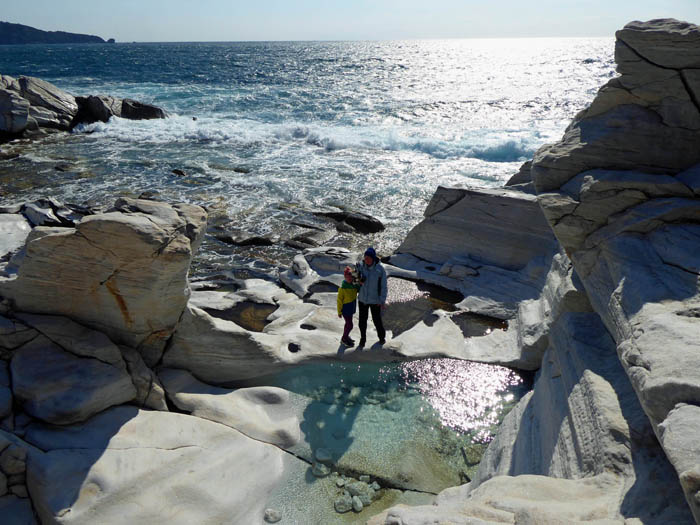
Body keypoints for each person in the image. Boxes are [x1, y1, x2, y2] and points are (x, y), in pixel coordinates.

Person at [357, 247, 387, 347]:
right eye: (365, 257)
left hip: (375, 300)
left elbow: (383, 286)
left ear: (373, 258)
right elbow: (354, 278)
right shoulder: (360, 266)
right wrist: (357, 279)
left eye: (369, 258)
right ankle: (363, 339)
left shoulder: (380, 270)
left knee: (377, 320)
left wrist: (382, 300)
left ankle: (382, 338)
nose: (367, 259)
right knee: (362, 321)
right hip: (362, 299)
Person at [337, 266, 361, 346]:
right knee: (350, 325)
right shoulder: (343, 288)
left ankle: (346, 336)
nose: (349, 278)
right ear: (344, 277)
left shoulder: (354, 285)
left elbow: (359, 288)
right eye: (347, 277)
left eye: (350, 277)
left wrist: (356, 277)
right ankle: (344, 338)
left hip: (351, 308)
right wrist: (339, 311)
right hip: (345, 309)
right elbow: (339, 300)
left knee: (348, 324)